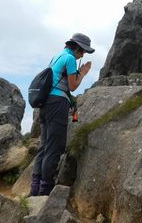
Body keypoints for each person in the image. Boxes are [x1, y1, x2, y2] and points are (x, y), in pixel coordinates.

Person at [29, 33, 94, 196]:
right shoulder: (70, 59)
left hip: (44, 104)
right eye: (83, 51)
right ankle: (45, 191)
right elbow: (72, 86)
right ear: (77, 48)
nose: (83, 55)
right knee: (54, 147)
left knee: (43, 147)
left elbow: (60, 83)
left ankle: (35, 188)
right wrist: (83, 73)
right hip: (57, 104)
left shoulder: (56, 56)